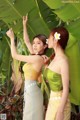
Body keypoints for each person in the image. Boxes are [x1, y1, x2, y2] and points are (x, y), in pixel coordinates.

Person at [6, 16, 48, 120]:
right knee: (29, 115)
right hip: (30, 90)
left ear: (45, 46)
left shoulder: (37, 59)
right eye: (35, 43)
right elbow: (27, 41)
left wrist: (12, 39)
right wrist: (24, 25)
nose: (34, 45)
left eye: (38, 43)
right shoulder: (34, 55)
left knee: (31, 116)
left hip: (32, 91)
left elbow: (15, 56)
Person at [43, 27, 71, 120]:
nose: (47, 40)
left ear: (55, 40)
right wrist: (47, 66)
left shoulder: (63, 61)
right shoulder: (54, 57)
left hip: (60, 104)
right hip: (52, 101)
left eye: (49, 38)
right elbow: (53, 77)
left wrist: (60, 111)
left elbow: (66, 89)